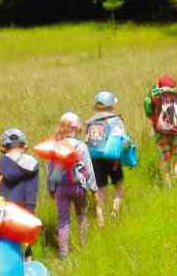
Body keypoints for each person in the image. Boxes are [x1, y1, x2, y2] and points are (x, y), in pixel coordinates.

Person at [47, 112, 97, 258]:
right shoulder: (81, 146)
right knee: (82, 216)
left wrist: (51, 188)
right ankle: (84, 247)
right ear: (78, 128)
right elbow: (88, 168)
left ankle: (63, 253)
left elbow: (50, 170)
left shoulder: (55, 146)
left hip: (60, 188)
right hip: (78, 186)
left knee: (63, 219)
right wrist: (93, 189)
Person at [85, 91, 127, 227]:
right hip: (113, 159)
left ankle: (101, 224)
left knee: (100, 193)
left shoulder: (91, 122)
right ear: (112, 105)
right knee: (119, 187)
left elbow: (87, 141)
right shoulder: (116, 120)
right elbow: (123, 140)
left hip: (95, 160)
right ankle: (114, 213)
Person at [0, 128, 40, 258]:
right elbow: (33, 189)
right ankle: (27, 266)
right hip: (27, 207)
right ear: (25, 146)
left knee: (7, 243)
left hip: (5, 209)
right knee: (25, 242)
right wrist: (31, 208)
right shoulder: (33, 163)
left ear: (3, 148)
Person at [146, 75, 177, 185]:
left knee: (165, 158)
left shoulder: (154, 97)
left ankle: (168, 184)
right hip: (176, 133)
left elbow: (148, 112)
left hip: (160, 133)